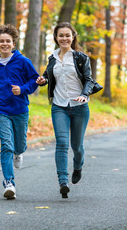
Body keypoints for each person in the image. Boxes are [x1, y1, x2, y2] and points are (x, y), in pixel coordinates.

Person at [36, 22, 96, 198]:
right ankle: (63, 181)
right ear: (56, 38)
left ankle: (78, 166)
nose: (64, 38)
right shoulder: (52, 58)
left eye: (67, 35)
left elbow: (89, 80)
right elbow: (48, 75)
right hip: (59, 106)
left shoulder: (80, 57)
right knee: (61, 143)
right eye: (60, 35)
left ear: (73, 37)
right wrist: (43, 80)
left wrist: (84, 95)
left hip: (79, 107)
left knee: (76, 146)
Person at [0, 24, 39, 200]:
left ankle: (19, 152)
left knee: (19, 144)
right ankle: (9, 183)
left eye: (8, 41)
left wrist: (22, 89)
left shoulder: (23, 61)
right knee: (6, 145)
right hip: (1, 109)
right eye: (2, 41)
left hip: (20, 108)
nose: (5, 44)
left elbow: (34, 80)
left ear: (13, 43)